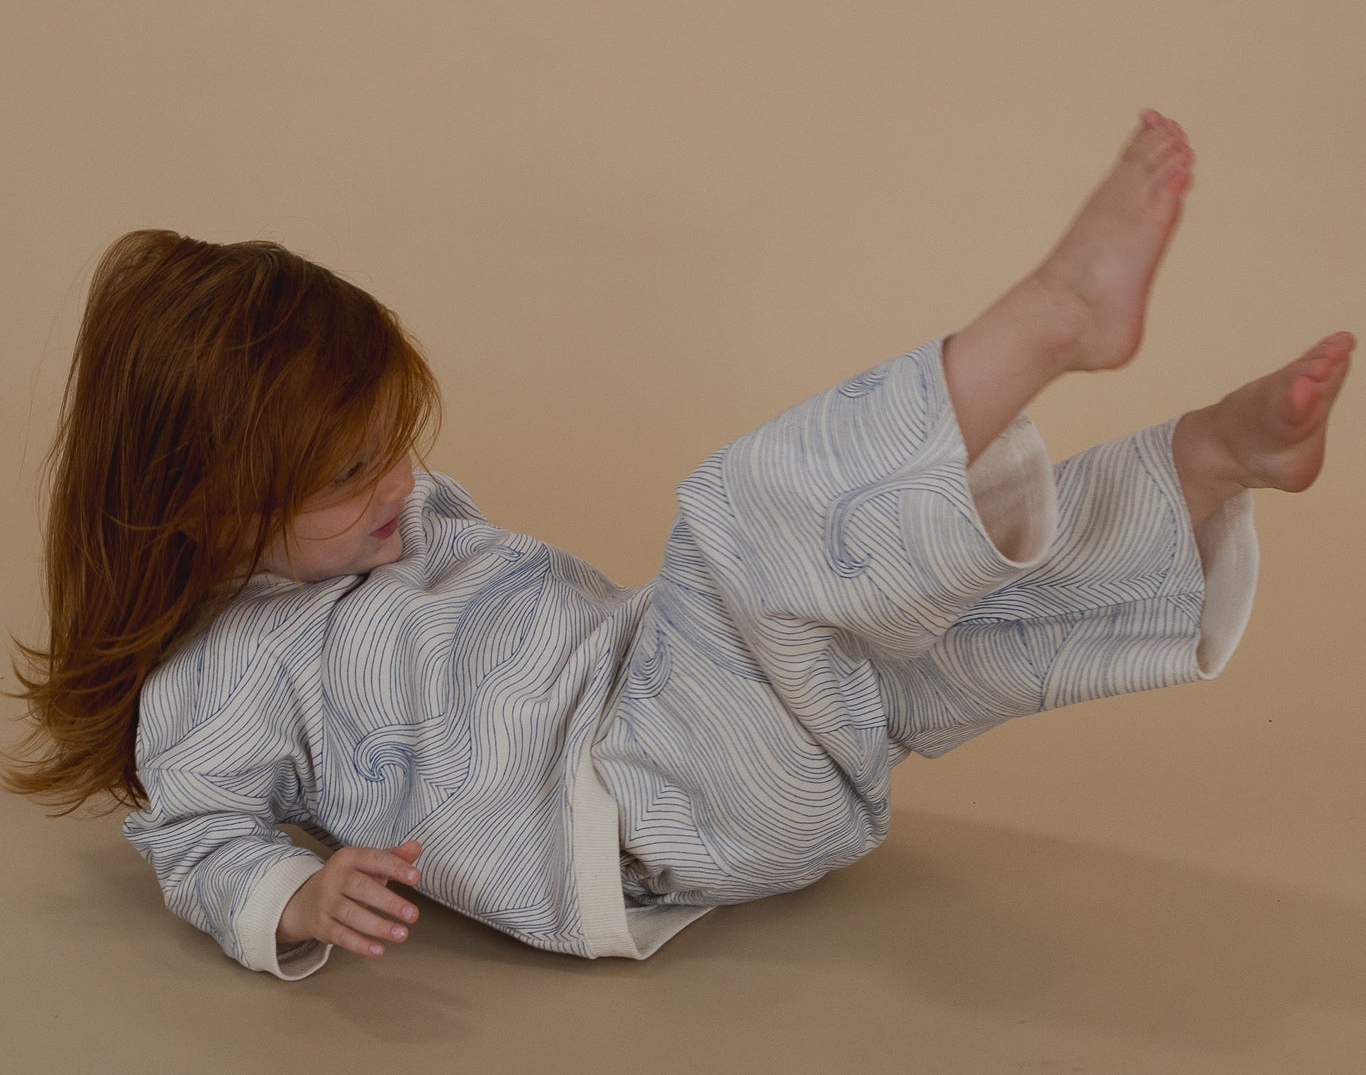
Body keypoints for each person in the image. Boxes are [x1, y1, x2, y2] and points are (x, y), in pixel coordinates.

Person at [2, 111, 1353, 981]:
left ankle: (1202, 469)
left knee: (929, 618)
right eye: (351, 471)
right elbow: (193, 836)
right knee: (741, 526)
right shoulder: (210, 680)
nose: (401, 482)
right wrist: (297, 898)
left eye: (392, 441)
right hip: (635, 799)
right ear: (203, 508)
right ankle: (1047, 320)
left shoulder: (387, 530)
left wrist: (384, 508)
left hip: (687, 711)